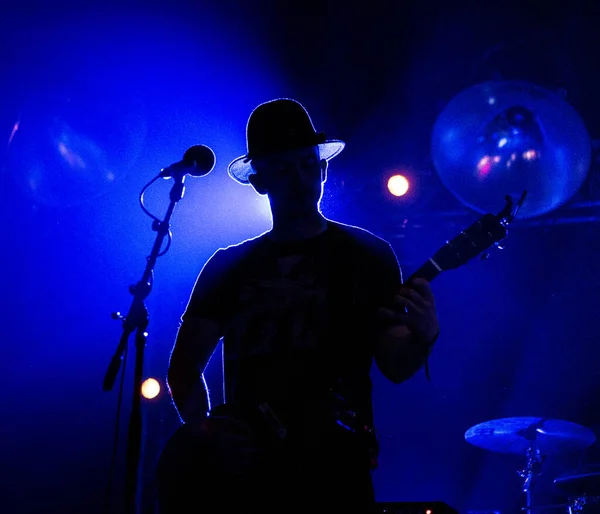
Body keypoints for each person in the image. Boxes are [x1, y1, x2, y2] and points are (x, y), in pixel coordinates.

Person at [156, 98, 440, 513]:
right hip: (247, 480)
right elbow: (182, 369)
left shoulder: (368, 255)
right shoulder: (228, 265)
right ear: (260, 180)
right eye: (284, 168)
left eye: (308, 165)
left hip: (337, 470)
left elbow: (395, 366)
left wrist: (425, 334)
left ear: (323, 168)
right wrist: (208, 433)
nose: (301, 179)